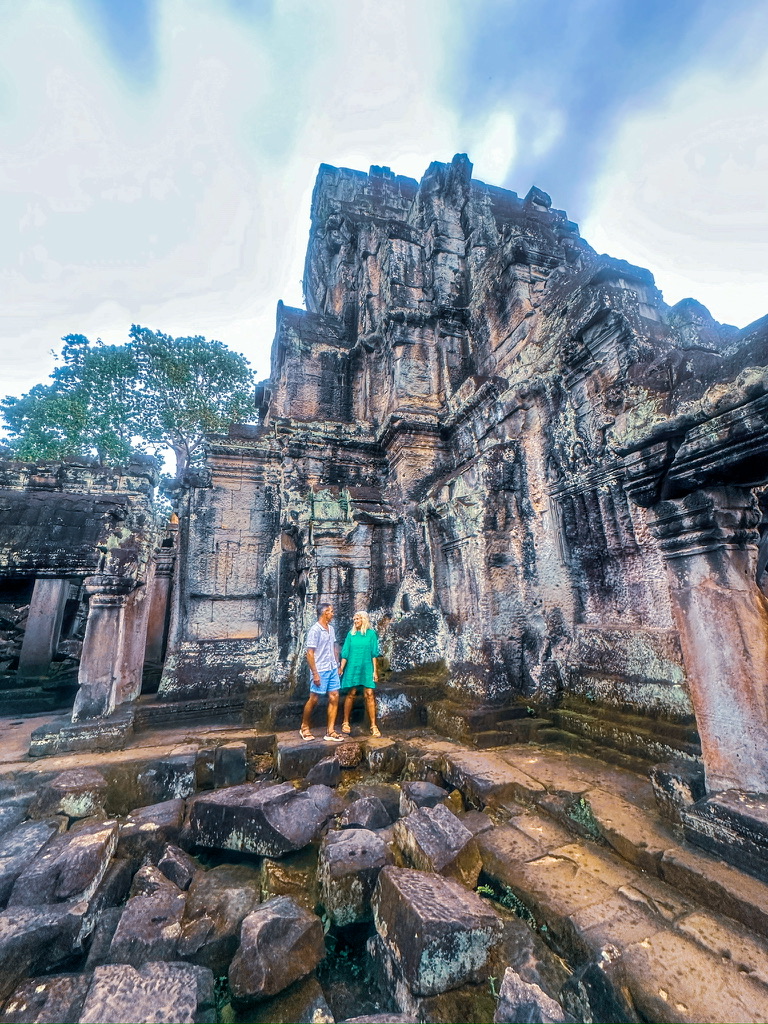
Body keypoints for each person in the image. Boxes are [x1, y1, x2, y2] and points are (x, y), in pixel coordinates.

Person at [300, 602, 343, 742]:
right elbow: (310, 653)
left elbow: (334, 647)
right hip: (320, 668)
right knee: (314, 698)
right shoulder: (315, 630)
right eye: (331, 611)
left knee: (334, 696)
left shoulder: (331, 629)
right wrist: (315, 673)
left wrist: (337, 665)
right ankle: (304, 727)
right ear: (325, 613)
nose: (333, 613)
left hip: (331, 667)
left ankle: (330, 731)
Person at [339, 610, 381, 737]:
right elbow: (345, 653)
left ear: (364, 619)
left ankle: (373, 725)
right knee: (351, 693)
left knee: (369, 694)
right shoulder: (351, 634)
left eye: (358, 619)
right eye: (354, 619)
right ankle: (345, 722)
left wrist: (375, 672)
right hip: (352, 667)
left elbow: (374, 654)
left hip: (367, 667)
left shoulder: (371, 634)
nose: (356, 621)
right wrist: (341, 668)